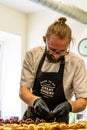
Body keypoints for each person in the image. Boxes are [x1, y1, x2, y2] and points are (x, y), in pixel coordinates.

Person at [19, 17, 87, 123]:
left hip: (59, 122)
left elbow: (83, 101)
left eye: (62, 51)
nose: (55, 56)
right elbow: (23, 91)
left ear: (68, 44)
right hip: (32, 120)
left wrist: (70, 105)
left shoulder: (77, 63)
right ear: (45, 40)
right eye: (52, 50)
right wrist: (34, 100)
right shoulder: (33, 55)